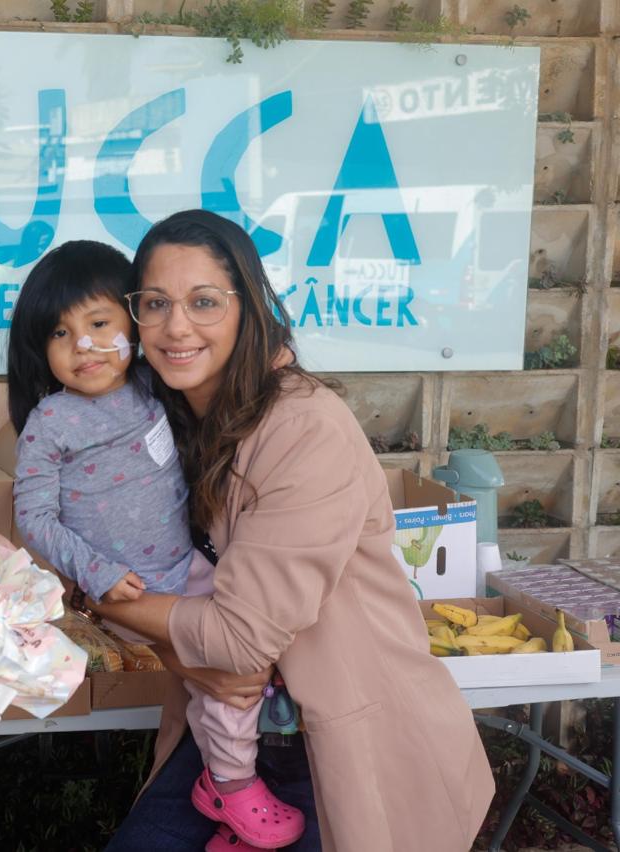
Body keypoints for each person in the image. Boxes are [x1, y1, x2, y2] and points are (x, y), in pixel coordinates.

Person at [97, 210, 494, 851]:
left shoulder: (304, 428)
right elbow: (71, 524)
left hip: (336, 741)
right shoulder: (162, 418)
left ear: (248, 308)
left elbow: (238, 639)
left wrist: (100, 595)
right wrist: (162, 641)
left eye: (204, 302)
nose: (177, 327)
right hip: (226, 738)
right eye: (156, 303)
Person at [6, 240, 303, 850]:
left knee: (249, 665)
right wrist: (94, 571)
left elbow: (235, 372)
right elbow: (32, 517)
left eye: (99, 324)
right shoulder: (51, 422)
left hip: (187, 567)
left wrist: (276, 356)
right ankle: (231, 786)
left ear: (134, 324)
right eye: (60, 333)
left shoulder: (153, 384)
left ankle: (231, 806)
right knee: (225, 681)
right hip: (127, 592)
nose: (84, 345)